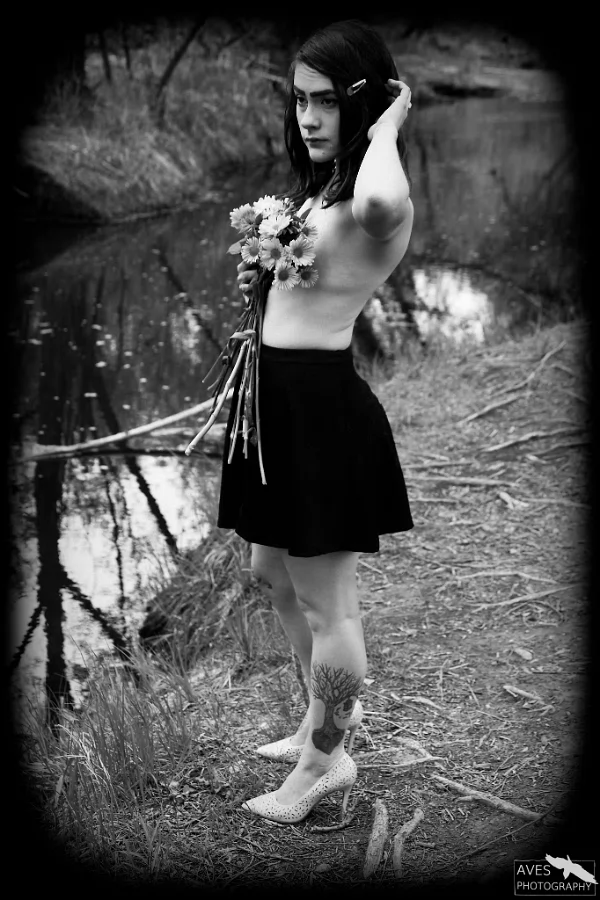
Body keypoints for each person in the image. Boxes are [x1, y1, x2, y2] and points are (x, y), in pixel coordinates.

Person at [217, 19, 414, 824]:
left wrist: (391, 123)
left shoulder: (377, 199)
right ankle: (319, 717)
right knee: (271, 570)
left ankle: (325, 761)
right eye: (300, 100)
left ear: (365, 101)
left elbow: (380, 198)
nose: (307, 117)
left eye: (328, 101)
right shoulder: (327, 188)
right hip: (277, 405)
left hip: (321, 413)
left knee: (330, 603)